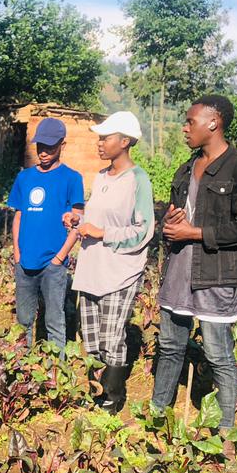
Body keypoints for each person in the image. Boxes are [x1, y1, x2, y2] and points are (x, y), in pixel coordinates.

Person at [151, 95, 237, 431]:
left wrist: (194, 232)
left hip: (217, 277)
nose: (184, 128)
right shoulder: (186, 168)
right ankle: (157, 418)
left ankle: (225, 433)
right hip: (179, 271)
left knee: (218, 355)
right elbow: (176, 220)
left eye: (190, 122)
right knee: (169, 346)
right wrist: (170, 227)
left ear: (213, 122)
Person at [70, 112, 154, 413]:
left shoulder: (138, 180)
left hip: (120, 272)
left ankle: (112, 398)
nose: (100, 143)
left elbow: (143, 231)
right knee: (91, 338)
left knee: (111, 336)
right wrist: (79, 220)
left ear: (125, 141)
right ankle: (96, 392)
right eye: (100, 138)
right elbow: (95, 219)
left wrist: (103, 232)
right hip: (92, 268)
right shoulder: (101, 177)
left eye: (106, 138)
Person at [6, 117, 85, 351]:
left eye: (50, 146)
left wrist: (59, 258)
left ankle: (55, 373)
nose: (43, 152)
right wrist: (18, 255)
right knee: (23, 321)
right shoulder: (25, 177)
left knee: (54, 321)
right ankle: (22, 369)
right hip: (25, 262)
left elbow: (77, 221)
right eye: (40, 145)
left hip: (54, 264)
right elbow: (18, 217)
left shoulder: (72, 178)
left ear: (63, 144)